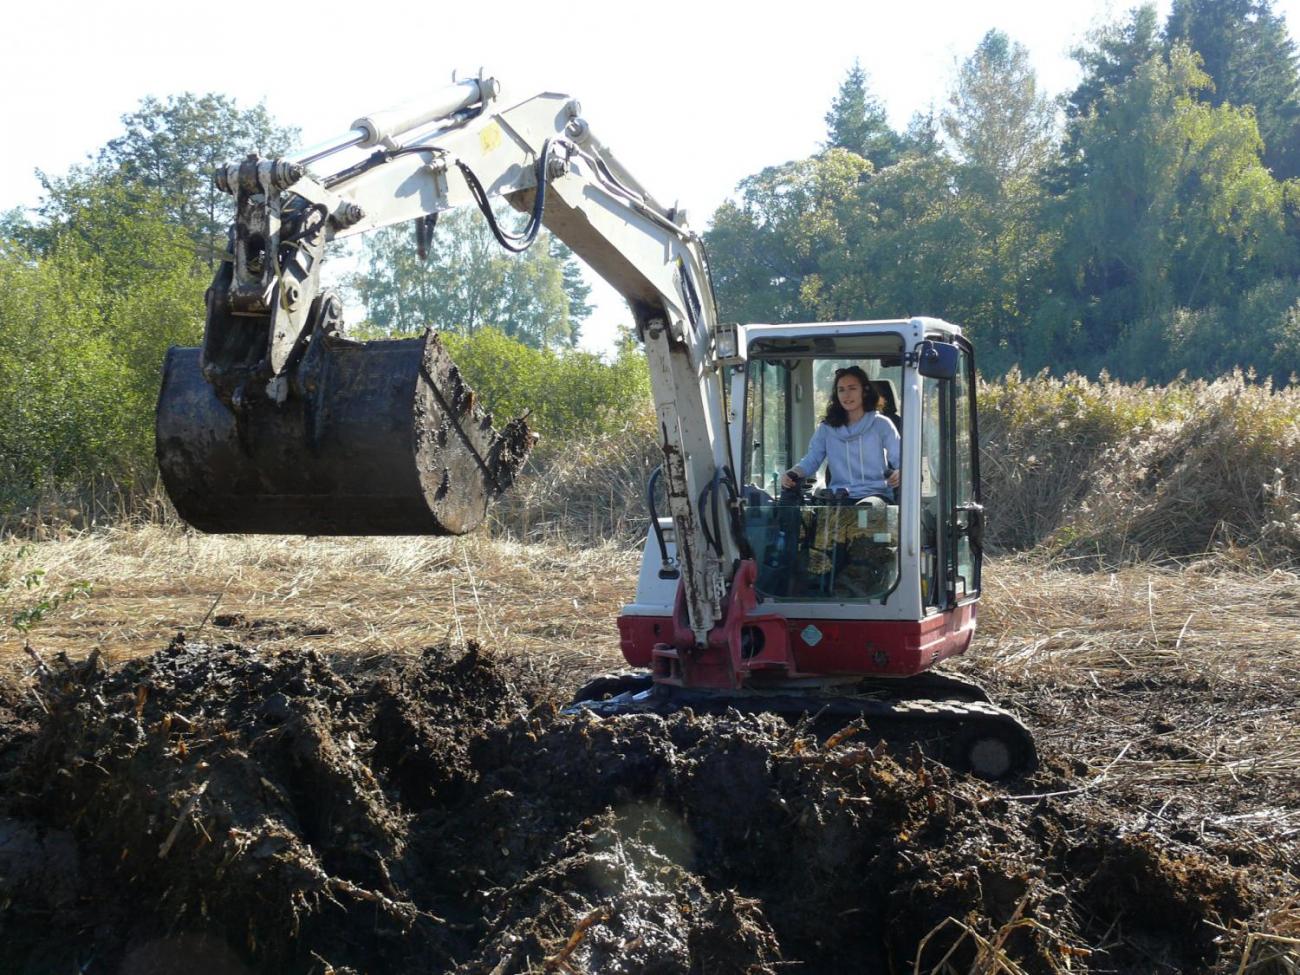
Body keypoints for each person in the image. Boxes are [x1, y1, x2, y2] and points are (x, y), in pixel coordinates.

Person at [781, 365, 900, 501]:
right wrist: (793, 473)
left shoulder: (881, 424)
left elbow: (900, 459)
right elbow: (812, 460)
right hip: (839, 500)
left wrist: (900, 473)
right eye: (841, 390)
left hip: (876, 497)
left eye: (852, 388)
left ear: (865, 391)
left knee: (867, 508)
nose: (846, 395)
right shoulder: (826, 428)